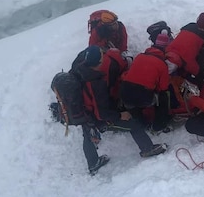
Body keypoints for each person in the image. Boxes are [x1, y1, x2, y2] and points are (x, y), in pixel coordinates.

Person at [71, 46, 166, 175]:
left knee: (87, 136)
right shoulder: (96, 83)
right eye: (102, 56)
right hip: (97, 117)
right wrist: (120, 115)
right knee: (134, 124)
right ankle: (147, 149)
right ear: (99, 62)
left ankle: (93, 164)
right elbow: (102, 114)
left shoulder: (80, 70)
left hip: (85, 113)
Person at [120, 34, 172, 133]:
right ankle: (159, 126)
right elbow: (163, 87)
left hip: (125, 93)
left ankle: (142, 124)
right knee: (164, 97)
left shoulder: (139, 56)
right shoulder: (162, 64)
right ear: (166, 48)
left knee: (134, 105)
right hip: (143, 98)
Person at [164, 22, 204, 92]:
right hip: (189, 33)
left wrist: (199, 75)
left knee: (200, 74)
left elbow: (195, 69)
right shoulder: (168, 50)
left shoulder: (167, 52)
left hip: (198, 39)